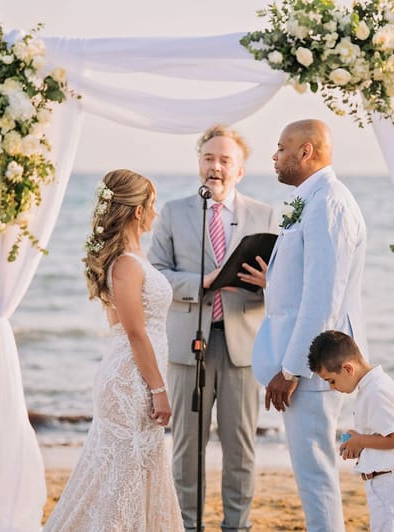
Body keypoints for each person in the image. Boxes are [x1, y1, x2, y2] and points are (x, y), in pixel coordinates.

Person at [148, 124, 276, 531]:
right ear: (199, 163)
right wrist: (200, 282)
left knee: (241, 448)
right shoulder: (173, 212)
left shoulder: (265, 215)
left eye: (224, 160)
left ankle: (237, 525)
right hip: (189, 346)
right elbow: (155, 275)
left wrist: (269, 283)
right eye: (208, 158)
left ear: (240, 170)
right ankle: (188, 526)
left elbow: (286, 281)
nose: (215, 167)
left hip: (244, 349)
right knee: (187, 450)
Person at [43, 169, 183, 531]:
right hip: (130, 384)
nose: (155, 212)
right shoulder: (124, 263)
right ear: (138, 211)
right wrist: (159, 389)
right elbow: (134, 332)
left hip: (136, 376)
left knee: (130, 478)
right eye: (152, 204)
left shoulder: (133, 257)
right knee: (119, 485)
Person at [249, 119, 368, 531]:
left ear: (306, 152)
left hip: (316, 365)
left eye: (281, 148)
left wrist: (292, 370)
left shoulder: (329, 204)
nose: (275, 156)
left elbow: (323, 298)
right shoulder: (313, 200)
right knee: (310, 470)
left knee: (315, 472)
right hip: (307, 361)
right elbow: (306, 282)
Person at [308, 330, 394, 532]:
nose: (332, 387)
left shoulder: (377, 391)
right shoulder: (370, 388)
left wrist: (361, 441)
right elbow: (381, 434)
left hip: (390, 485)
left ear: (348, 368)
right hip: (383, 481)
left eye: (331, 380)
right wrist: (359, 443)